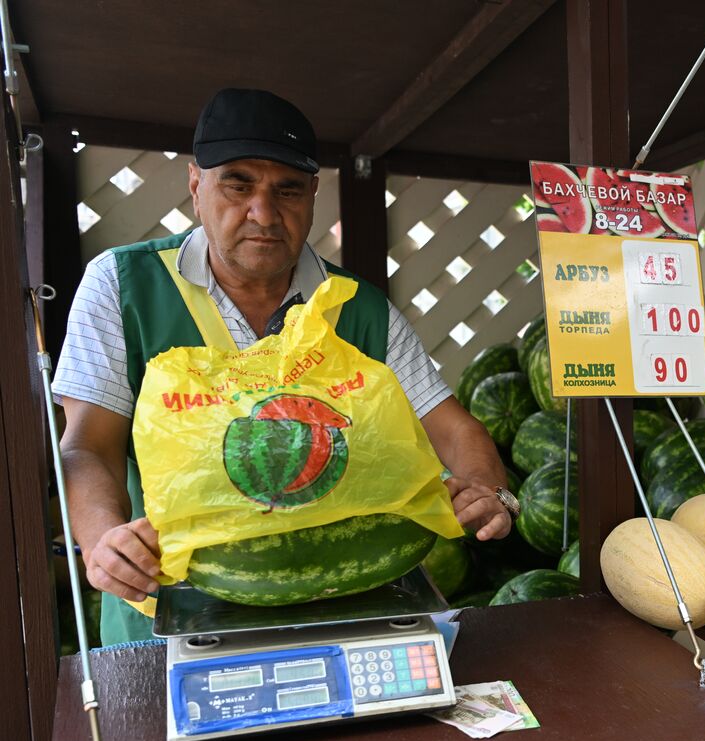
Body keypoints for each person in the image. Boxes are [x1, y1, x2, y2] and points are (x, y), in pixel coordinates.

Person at [53, 89, 517, 645]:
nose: (264, 214)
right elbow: (87, 445)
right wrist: (105, 540)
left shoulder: (355, 306)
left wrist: (490, 491)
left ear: (314, 196)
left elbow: (453, 428)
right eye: (238, 184)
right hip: (166, 614)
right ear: (196, 186)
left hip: (343, 607)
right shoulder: (123, 286)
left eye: (288, 190)